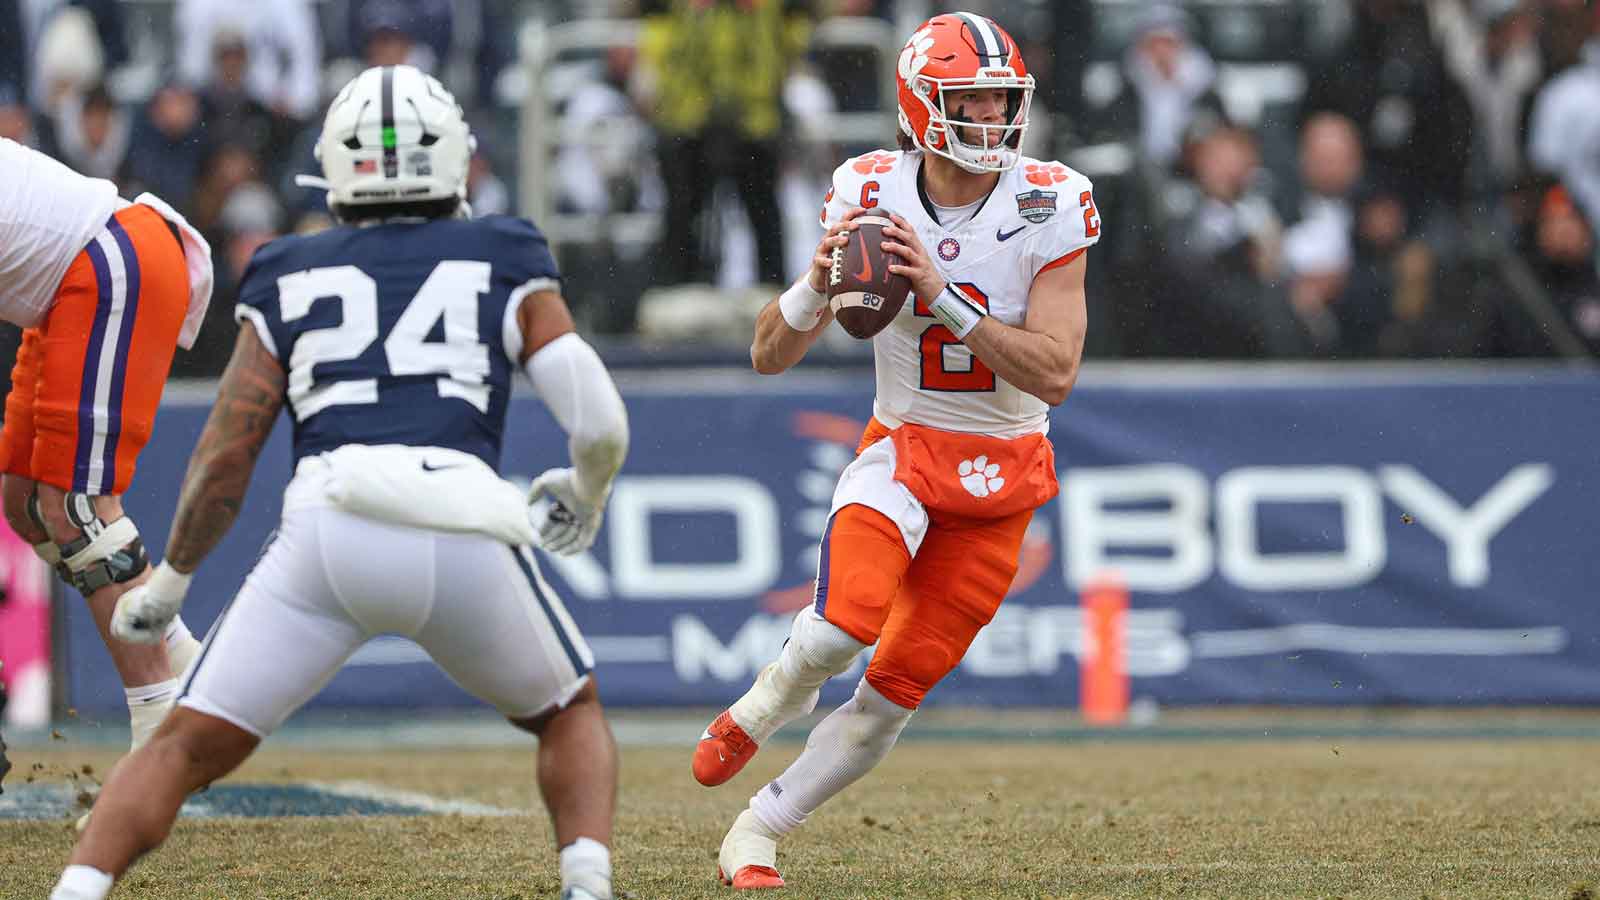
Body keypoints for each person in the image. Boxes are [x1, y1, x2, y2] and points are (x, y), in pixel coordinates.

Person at [49, 64, 628, 900]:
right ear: (456, 157)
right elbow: (601, 421)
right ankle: (586, 883)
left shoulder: (288, 265)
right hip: (458, 520)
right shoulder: (504, 249)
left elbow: (225, 455)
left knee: (176, 746)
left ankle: (77, 891)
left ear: (334, 164)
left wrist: (173, 584)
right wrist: (587, 490)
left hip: (330, 525)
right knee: (568, 712)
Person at [692, 12, 1098, 889]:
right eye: (973, 102)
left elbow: (1057, 372)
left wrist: (943, 296)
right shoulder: (869, 189)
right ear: (922, 107)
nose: (992, 121)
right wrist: (817, 282)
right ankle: (767, 701)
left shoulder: (1052, 199)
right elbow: (768, 354)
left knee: (890, 700)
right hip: (903, 448)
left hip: (1004, 473)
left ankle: (757, 831)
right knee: (844, 624)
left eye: (1001, 102)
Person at [0, 136, 212, 777]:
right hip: (75, 282)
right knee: (24, 505)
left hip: (110, 260)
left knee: (75, 506)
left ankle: (160, 730)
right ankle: (187, 664)